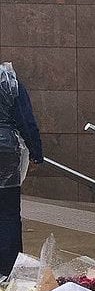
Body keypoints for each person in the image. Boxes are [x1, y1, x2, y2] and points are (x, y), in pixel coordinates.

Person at [0, 63, 42, 277]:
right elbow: (26, 120)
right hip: (7, 150)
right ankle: (8, 269)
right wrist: (36, 152)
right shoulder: (10, 81)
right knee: (8, 211)